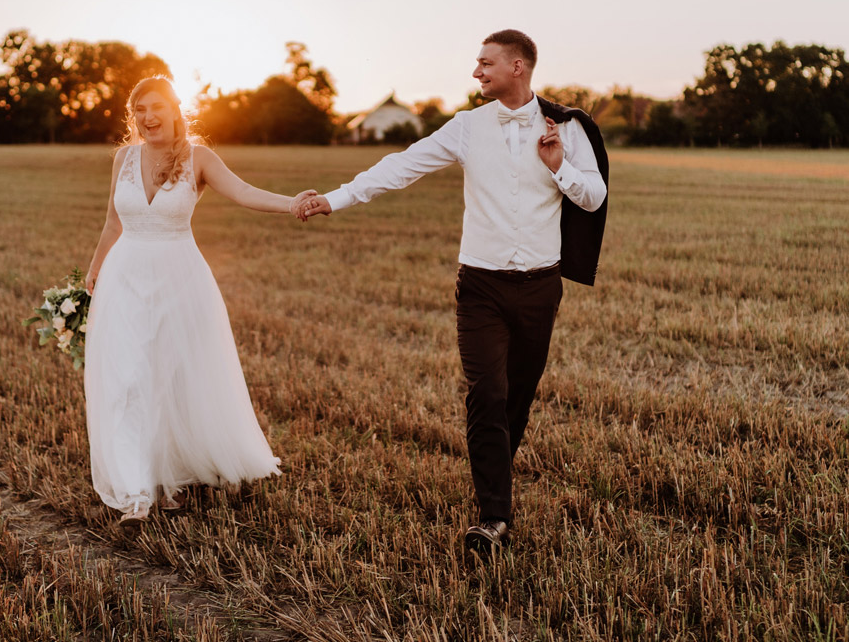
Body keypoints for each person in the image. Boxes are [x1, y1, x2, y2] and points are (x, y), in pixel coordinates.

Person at [299, 30, 609, 554]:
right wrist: (337, 198)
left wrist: (559, 167)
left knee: (518, 396)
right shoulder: (466, 127)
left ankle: (494, 482)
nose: (475, 73)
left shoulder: (568, 127)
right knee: (485, 393)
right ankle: (494, 517)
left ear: (518, 66)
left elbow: (594, 198)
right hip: (481, 285)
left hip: (540, 286)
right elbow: (401, 166)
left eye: (485, 64)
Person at [83, 75, 313, 525]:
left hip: (179, 280)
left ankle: (170, 479)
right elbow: (113, 221)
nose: (149, 118)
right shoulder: (124, 159)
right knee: (127, 379)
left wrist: (291, 204)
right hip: (124, 277)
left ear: (175, 109)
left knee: (169, 380)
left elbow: (243, 192)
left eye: (157, 108)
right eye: (140, 111)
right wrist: (94, 269)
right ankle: (136, 492)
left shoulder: (198, 158)